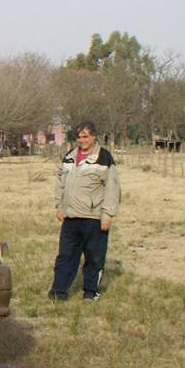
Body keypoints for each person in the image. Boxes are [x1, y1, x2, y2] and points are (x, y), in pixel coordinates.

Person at [48, 121, 121, 302]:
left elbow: (113, 189)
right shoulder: (69, 157)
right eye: (79, 137)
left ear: (94, 136)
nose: (81, 140)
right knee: (65, 257)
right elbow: (60, 184)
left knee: (94, 257)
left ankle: (90, 291)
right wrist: (59, 206)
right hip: (71, 217)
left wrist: (108, 215)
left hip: (94, 218)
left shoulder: (104, 158)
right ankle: (59, 292)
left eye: (85, 136)